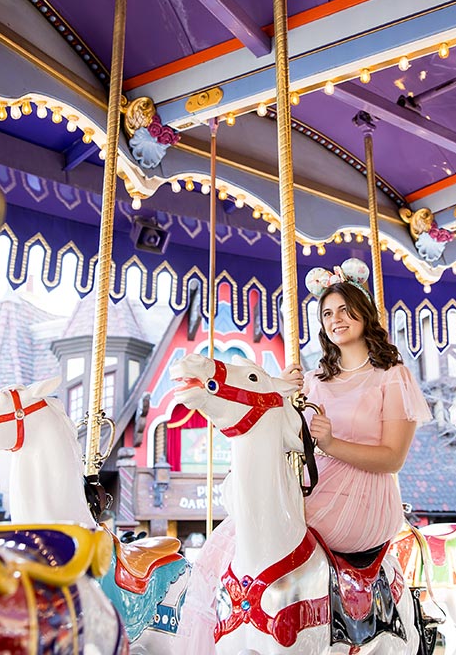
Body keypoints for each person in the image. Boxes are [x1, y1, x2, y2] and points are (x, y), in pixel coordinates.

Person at [175, 260, 431, 651]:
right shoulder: (313, 379)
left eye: (345, 310)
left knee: (266, 532)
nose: (336, 319)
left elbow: (393, 457)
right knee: (238, 533)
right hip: (316, 487)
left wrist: (331, 444)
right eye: (327, 313)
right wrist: (283, 395)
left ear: (365, 313)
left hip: (363, 498)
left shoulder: (391, 376)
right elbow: (286, 439)